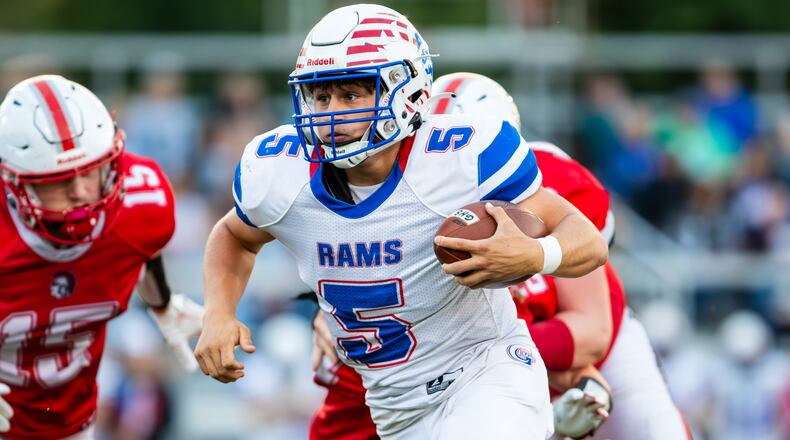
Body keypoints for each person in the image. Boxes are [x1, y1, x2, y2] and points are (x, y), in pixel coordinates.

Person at [195, 5, 607, 439]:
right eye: (320, 96)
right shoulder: (281, 174)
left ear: (405, 91)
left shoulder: (458, 158)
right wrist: (219, 312)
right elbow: (234, 236)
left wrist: (536, 253)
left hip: (486, 372)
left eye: (350, 96)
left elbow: (587, 241)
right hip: (395, 408)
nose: (329, 113)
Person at [309, 72, 690, 440]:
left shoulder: (553, 185)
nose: (456, 164)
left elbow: (592, 331)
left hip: (580, 339)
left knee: (656, 428)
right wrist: (346, 320)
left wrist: (487, 357)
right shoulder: (406, 197)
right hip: (485, 358)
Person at [0, 75, 203, 439]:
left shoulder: (144, 204)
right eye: (57, 180)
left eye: (92, 169)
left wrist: (163, 304)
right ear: (16, 181)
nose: (80, 192)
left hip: (74, 424)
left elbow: (141, 250)